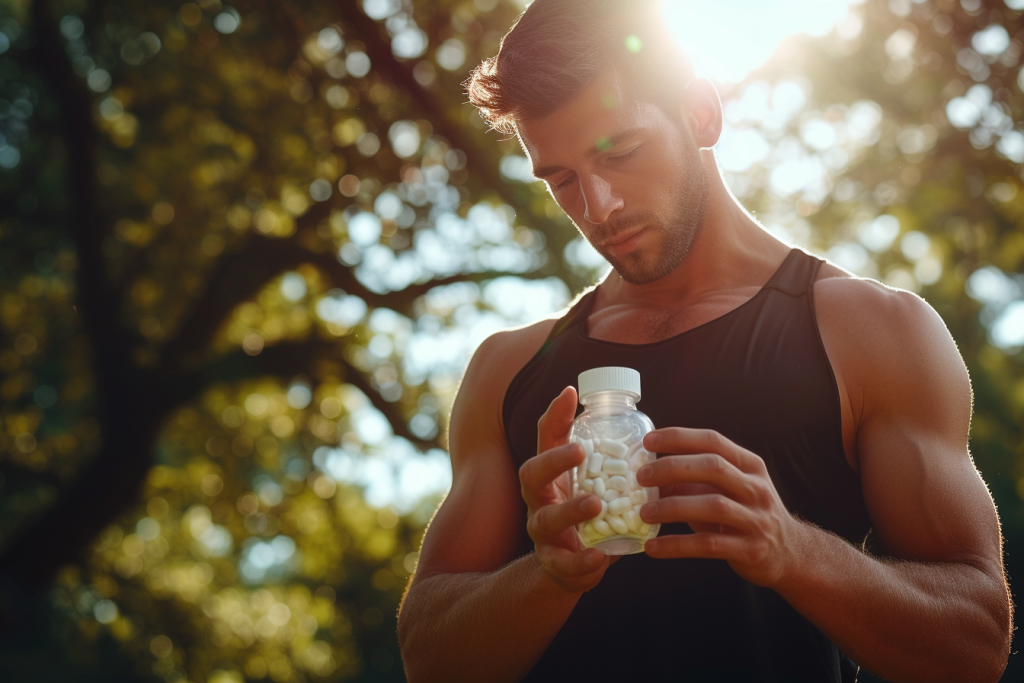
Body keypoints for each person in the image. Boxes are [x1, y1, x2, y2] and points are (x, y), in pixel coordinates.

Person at [396, 1, 1013, 680]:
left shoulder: (874, 332)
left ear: (701, 113)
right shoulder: (508, 368)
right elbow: (429, 656)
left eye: (621, 152)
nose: (598, 207)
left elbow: (976, 645)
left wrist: (795, 552)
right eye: (562, 179)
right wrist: (547, 577)